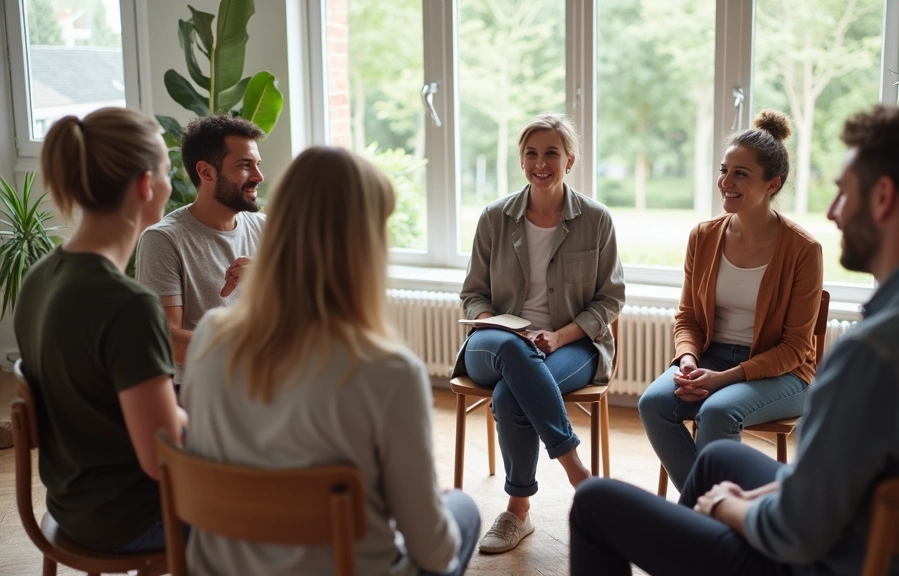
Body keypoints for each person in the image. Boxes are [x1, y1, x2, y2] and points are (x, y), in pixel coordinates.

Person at [568, 102, 899, 576]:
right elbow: (849, 477)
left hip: (824, 562)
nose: (833, 212)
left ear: (884, 198)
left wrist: (727, 508)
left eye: (844, 194)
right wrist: (748, 495)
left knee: (596, 501)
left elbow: (796, 531)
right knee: (720, 457)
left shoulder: (875, 352)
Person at [181, 146, 480, 576]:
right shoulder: (389, 372)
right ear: (366, 245)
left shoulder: (210, 336)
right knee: (462, 510)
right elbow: (433, 552)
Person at [14, 108, 186, 552]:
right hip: (133, 518)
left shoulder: (40, 277)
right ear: (147, 185)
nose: (169, 186)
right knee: (285, 508)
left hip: (72, 505)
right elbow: (162, 458)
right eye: (167, 173)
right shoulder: (128, 304)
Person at [452, 112, 625, 554]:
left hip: (570, 345)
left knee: (513, 396)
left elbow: (610, 300)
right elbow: (472, 295)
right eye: (531, 153)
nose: (540, 162)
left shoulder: (596, 219)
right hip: (493, 344)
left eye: (552, 153)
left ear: (571, 160)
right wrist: (496, 322)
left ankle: (517, 510)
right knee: (512, 349)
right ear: (521, 159)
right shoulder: (494, 218)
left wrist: (561, 336)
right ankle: (578, 474)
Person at [638, 109, 823, 489]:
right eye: (724, 170)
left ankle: (706, 520)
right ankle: (715, 517)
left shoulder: (803, 249)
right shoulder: (703, 236)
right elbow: (688, 316)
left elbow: (794, 348)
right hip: (711, 357)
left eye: (740, 174)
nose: (725, 182)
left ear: (773, 184)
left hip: (783, 375)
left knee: (718, 411)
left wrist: (724, 379)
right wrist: (689, 360)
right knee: (653, 405)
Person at [136, 115, 266, 390]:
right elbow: (167, 341)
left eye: (257, 164)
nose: (258, 176)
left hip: (262, 381)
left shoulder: (264, 228)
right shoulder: (163, 240)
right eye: (245, 165)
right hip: (203, 391)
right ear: (206, 172)